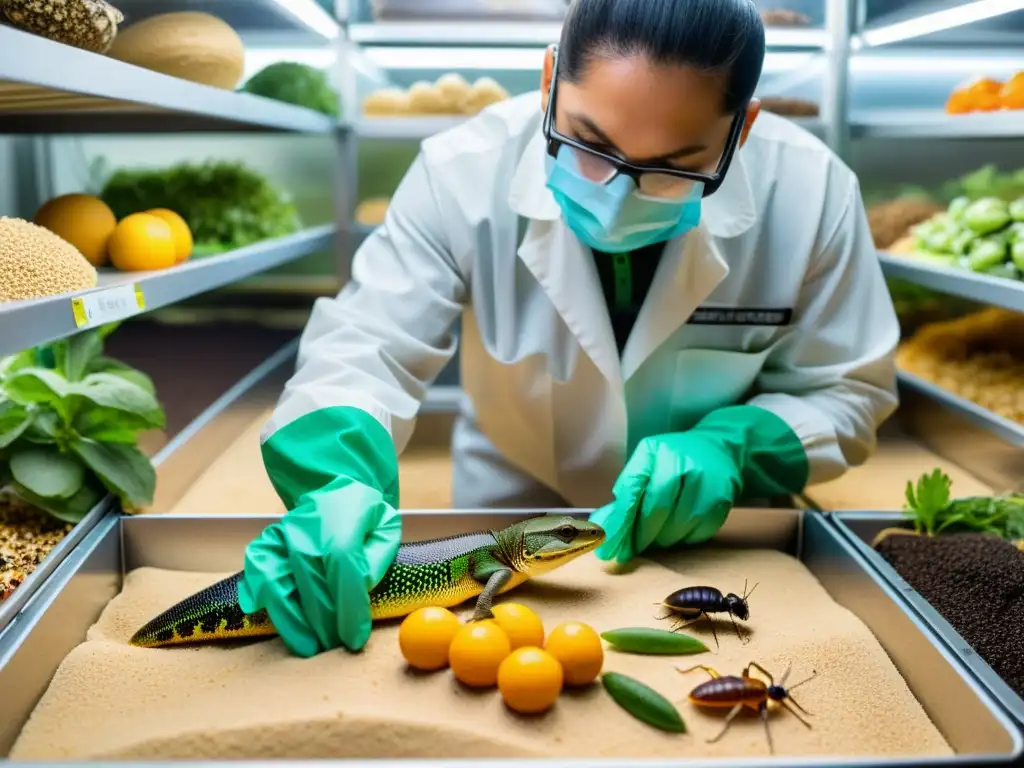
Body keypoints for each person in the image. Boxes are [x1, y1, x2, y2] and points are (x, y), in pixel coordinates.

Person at [237, 0, 900, 658]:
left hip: (718, 529)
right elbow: (365, 347)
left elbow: (850, 389)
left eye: (673, 166)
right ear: (551, 77)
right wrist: (336, 480)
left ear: (743, 130)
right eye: (591, 144)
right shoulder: (462, 172)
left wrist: (734, 449)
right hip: (511, 505)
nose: (617, 191)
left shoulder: (813, 193)